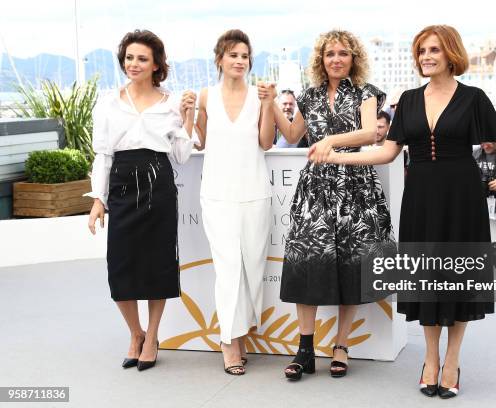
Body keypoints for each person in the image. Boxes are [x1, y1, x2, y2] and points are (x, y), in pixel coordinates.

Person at [311, 25, 496, 398]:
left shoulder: (473, 98)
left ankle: (452, 360)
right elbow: (388, 152)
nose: (426, 57)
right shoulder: (407, 100)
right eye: (421, 51)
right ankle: (431, 360)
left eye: (433, 49)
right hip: (421, 197)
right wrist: (337, 156)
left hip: (461, 198)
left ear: (451, 53)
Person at [261, 29, 393, 380]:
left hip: (355, 186)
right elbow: (291, 136)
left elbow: (370, 134)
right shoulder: (309, 95)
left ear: (354, 59)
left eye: (343, 53)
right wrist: (270, 102)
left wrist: (331, 140)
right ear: (321, 60)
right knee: (306, 262)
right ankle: (305, 351)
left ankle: (341, 345)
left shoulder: (366, 93)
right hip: (316, 186)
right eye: (330, 54)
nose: (336, 59)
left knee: (350, 264)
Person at [86, 29, 197, 371]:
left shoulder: (172, 103)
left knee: (157, 265)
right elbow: (102, 155)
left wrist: (189, 118)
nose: (133, 64)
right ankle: (135, 332)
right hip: (121, 182)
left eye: (142, 59)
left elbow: (180, 156)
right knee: (120, 268)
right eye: (129, 58)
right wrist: (97, 199)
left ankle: (152, 338)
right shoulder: (107, 102)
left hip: (158, 184)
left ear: (156, 65)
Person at [192, 29, 275, 376]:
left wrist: (269, 104)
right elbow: (197, 142)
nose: (239, 61)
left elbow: (267, 142)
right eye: (233, 55)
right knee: (228, 269)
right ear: (220, 59)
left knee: (253, 268)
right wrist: (186, 115)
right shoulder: (206, 96)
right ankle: (229, 341)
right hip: (217, 194)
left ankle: (240, 331)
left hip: (255, 192)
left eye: (244, 56)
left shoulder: (259, 97)